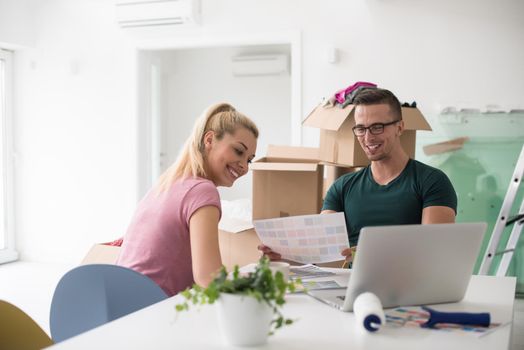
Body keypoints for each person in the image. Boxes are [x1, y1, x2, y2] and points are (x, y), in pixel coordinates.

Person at [259, 88, 457, 263]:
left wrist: (371, 253)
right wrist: (283, 253)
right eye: (361, 128)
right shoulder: (343, 187)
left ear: (400, 127)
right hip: (356, 290)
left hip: (412, 289)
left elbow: (434, 252)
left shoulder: (432, 181)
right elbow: (319, 246)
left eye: (377, 127)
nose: (368, 137)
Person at [117, 103, 258, 296]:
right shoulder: (203, 191)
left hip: (123, 303)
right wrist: (263, 278)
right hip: (151, 309)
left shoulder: (167, 183)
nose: (244, 166)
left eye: (249, 159)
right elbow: (209, 277)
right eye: (238, 151)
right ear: (209, 140)